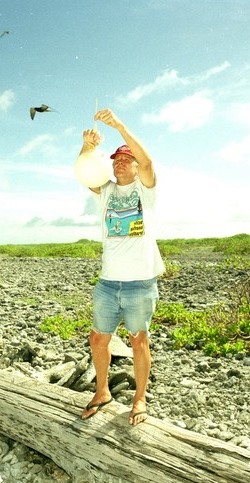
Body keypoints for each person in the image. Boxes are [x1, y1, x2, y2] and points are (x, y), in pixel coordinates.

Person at [79, 108, 165, 425]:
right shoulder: (107, 192)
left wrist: (119, 126)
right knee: (98, 339)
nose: (120, 162)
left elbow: (149, 163)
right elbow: (86, 172)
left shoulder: (145, 190)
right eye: (116, 159)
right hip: (107, 283)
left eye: (126, 159)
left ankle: (139, 399)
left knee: (138, 340)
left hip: (140, 283)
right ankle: (103, 391)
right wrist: (87, 147)